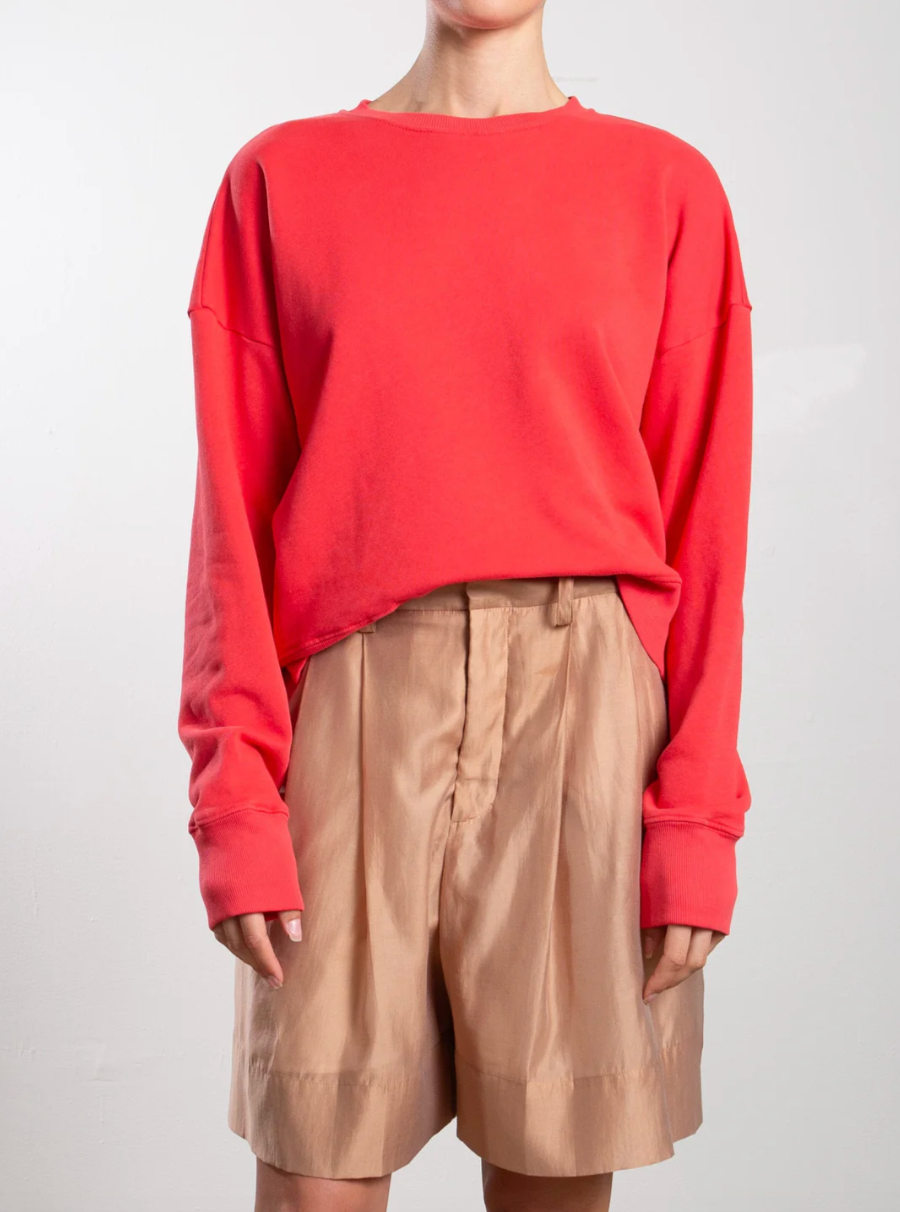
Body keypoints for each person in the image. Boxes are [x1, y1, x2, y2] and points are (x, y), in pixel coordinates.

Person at [178, 2, 754, 1209]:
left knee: (555, 1171)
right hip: (350, 703)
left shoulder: (665, 189)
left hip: (582, 708)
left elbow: (705, 527)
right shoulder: (281, 180)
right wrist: (234, 795)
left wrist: (695, 820)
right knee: (315, 1167)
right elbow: (233, 517)